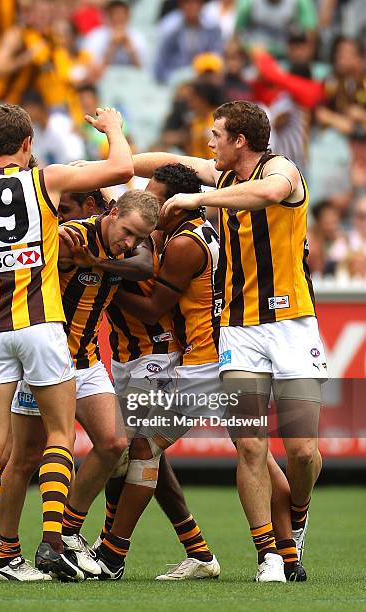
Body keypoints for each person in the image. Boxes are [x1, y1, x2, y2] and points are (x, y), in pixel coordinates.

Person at [0, 101, 134, 583]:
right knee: (59, 435)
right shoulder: (42, 180)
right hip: (44, 327)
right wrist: (113, 128)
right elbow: (123, 169)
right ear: (27, 145)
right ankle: (52, 542)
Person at [150, 100, 326, 582]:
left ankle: (300, 511)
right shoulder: (222, 177)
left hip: (292, 326)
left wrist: (196, 200)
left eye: (216, 135)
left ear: (240, 141)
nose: (209, 144)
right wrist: (104, 159)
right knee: (249, 442)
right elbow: (165, 162)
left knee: (304, 452)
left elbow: (267, 194)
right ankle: (270, 554)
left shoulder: (281, 170)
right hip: (238, 330)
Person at [100, 163, 221, 581]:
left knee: (142, 450)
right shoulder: (179, 231)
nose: (151, 203)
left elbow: (154, 308)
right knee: (142, 450)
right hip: (199, 359)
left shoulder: (186, 244)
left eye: (158, 197)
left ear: (179, 202)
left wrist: (102, 278)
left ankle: (113, 554)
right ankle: (204, 554)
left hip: (203, 366)